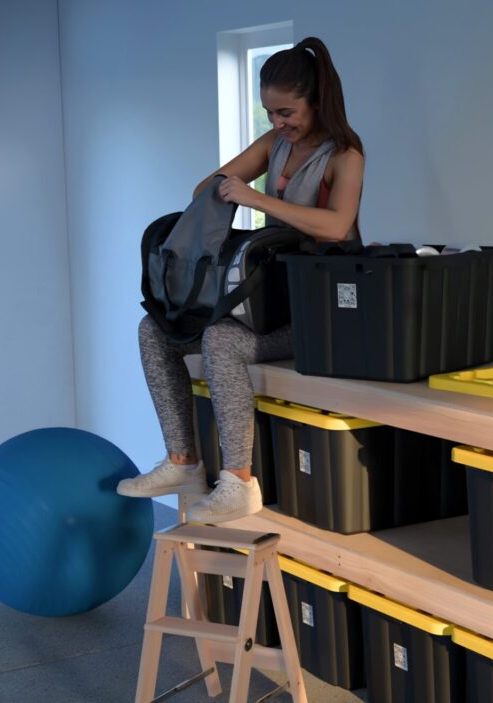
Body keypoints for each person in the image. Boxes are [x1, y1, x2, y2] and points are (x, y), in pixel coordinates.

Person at [117, 37, 364, 523]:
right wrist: (226, 192)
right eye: (270, 112)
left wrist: (258, 202)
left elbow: (337, 225)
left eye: (287, 112)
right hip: (271, 294)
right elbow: (204, 190)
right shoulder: (275, 146)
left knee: (221, 341)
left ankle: (239, 482)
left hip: (318, 310)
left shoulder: (345, 154)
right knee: (155, 330)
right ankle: (183, 461)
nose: (278, 123)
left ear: (316, 101)